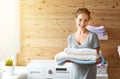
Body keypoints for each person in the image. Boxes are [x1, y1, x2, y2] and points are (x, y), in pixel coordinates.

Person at [67, 8, 102, 79]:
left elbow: (96, 56)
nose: (82, 23)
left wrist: (98, 59)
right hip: (75, 74)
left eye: (85, 20)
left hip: (89, 73)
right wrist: (66, 59)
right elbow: (70, 56)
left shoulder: (93, 36)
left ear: (88, 21)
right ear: (76, 19)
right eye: (80, 19)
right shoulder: (70, 38)